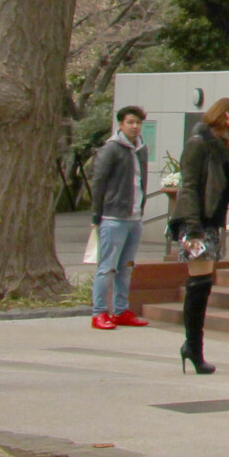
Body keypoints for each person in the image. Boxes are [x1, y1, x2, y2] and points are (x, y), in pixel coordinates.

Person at [170, 97, 229, 374]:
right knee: (199, 284)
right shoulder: (199, 143)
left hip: (212, 221)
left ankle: (193, 347)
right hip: (197, 222)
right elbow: (189, 186)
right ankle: (193, 347)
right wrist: (193, 228)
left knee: (203, 284)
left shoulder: (225, 144)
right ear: (222, 116)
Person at [88, 105, 151, 331]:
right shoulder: (111, 149)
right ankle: (99, 312)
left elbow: (141, 180)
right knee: (107, 266)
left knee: (126, 267)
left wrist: (141, 208)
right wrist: (96, 215)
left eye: (138, 123)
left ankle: (121, 310)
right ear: (121, 124)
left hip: (135, 217)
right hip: (113, 216)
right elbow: (99, 182)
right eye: (130, 122)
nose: (135, 127)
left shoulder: (141, 148)